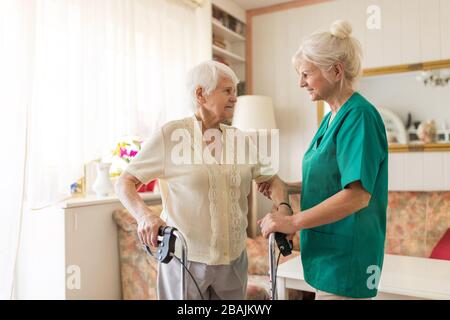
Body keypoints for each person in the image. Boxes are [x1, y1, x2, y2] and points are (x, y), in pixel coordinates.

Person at [115, 60, 282, 300]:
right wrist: (145, 215)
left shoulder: (240, 139)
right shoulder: (171, 135)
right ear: (200, 94)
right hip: (185, 259)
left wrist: (282, 207)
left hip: (234, 260)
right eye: (227, 91)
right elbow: (124, 182)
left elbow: (272, 179)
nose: (235, 98)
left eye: (235, 92)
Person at [258, 20, 388, 300]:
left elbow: (357, 196)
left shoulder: (360, 116)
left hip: (348, 258)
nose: (300, 83)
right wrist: (285, 186)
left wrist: (293, 222)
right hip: (326, 256)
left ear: (336, 71)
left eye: (306, 74)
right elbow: (326, 182)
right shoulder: (330, 118)